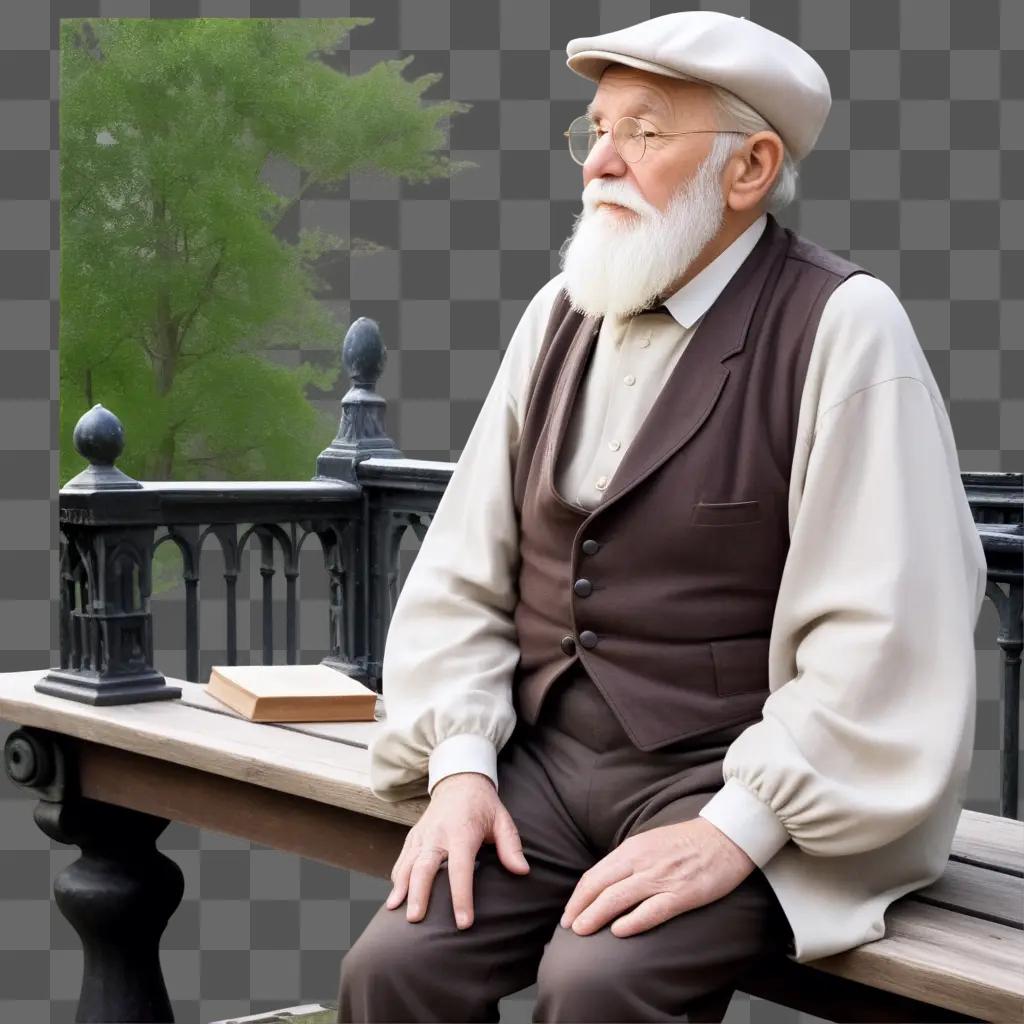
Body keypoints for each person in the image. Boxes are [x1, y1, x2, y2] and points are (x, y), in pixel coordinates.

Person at [337, 10, 988, 1023]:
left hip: (733, 772)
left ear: (749, 168)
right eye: (593, 130)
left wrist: (737, 825)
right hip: (546, 765)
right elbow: (463, 571)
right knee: (395, 968)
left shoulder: (844, 323)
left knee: (598, 986)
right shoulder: (558, 312)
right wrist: (463, 767)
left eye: (642, 133)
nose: (599, 162)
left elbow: (891, 629)